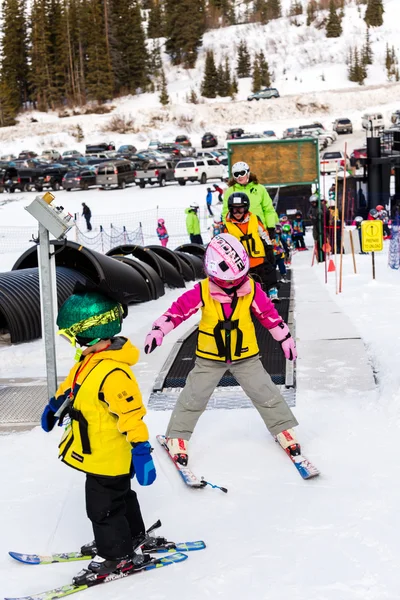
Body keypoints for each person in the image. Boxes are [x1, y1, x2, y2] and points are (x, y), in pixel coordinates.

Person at [143, 233, 299, 465]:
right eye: (227, 281)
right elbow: (179, 310)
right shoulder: (203, 291)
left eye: (237, 279)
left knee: (266, 392)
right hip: (210, 358)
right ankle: (177, 436)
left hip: (246, 356)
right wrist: (159, 330)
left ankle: (282, 428)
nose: (232, 285)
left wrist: (284, 338)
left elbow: (269, 315)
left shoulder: (252, 290)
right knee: (193, 396)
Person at [40, 291, 156, 585]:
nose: (74, 343)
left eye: (74, 336)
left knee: (102, 507)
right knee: (120, 496)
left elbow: (131, 415)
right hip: (100, 452)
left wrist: (142, 450)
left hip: (109, 455)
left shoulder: (114, 373)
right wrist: (56, 404)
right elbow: (73, 384)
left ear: (90, 334)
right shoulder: (91, 359)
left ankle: (116, 555)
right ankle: (131, 536)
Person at [221, 191, 279, 302]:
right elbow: (225, 245)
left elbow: (264, 235)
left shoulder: (254, 219)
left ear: (246, 208)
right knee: (247, 283)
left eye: (240, 209)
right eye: (234, 209)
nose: (237, 212)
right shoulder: (227, 227)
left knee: (269, 273)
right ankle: (248, 299)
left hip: (259, 258)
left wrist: (269, 249)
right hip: (242, 263)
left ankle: (272, 291)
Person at [222, 161, 279, 233]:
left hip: (259, 229)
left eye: (242, 173)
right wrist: (227, 228)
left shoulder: (259, 189)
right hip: (239, 231)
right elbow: (226, 212)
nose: (239, 176)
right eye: (236, 174)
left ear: (248, 173)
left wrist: (270, 227)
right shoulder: (230, 191)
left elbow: (268, 209)